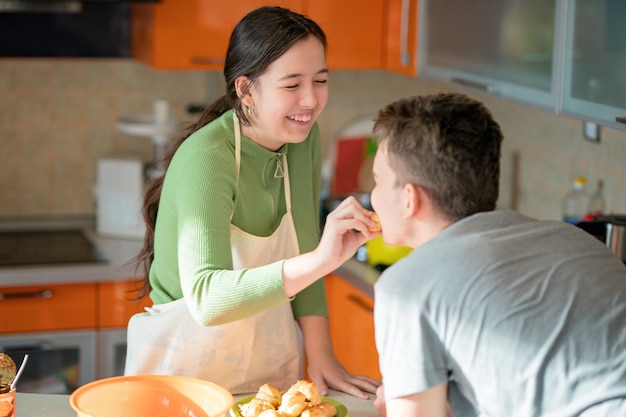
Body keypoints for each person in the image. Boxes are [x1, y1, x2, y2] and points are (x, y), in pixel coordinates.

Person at [123, 5, 381, 398]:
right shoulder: (209, 157)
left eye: (321, 79)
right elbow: (208, 300)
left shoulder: (301, 138)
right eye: (292, 85)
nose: (310, 100)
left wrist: (322, 355)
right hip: (182, 379)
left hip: (268, 375)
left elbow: (305, 247)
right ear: (246, 89)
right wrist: (321, 260)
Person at [368, 92, 626, 416]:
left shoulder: (405, 287)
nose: (371, 195)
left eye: (377, 180)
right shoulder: (575, 239)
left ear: (409, 199)